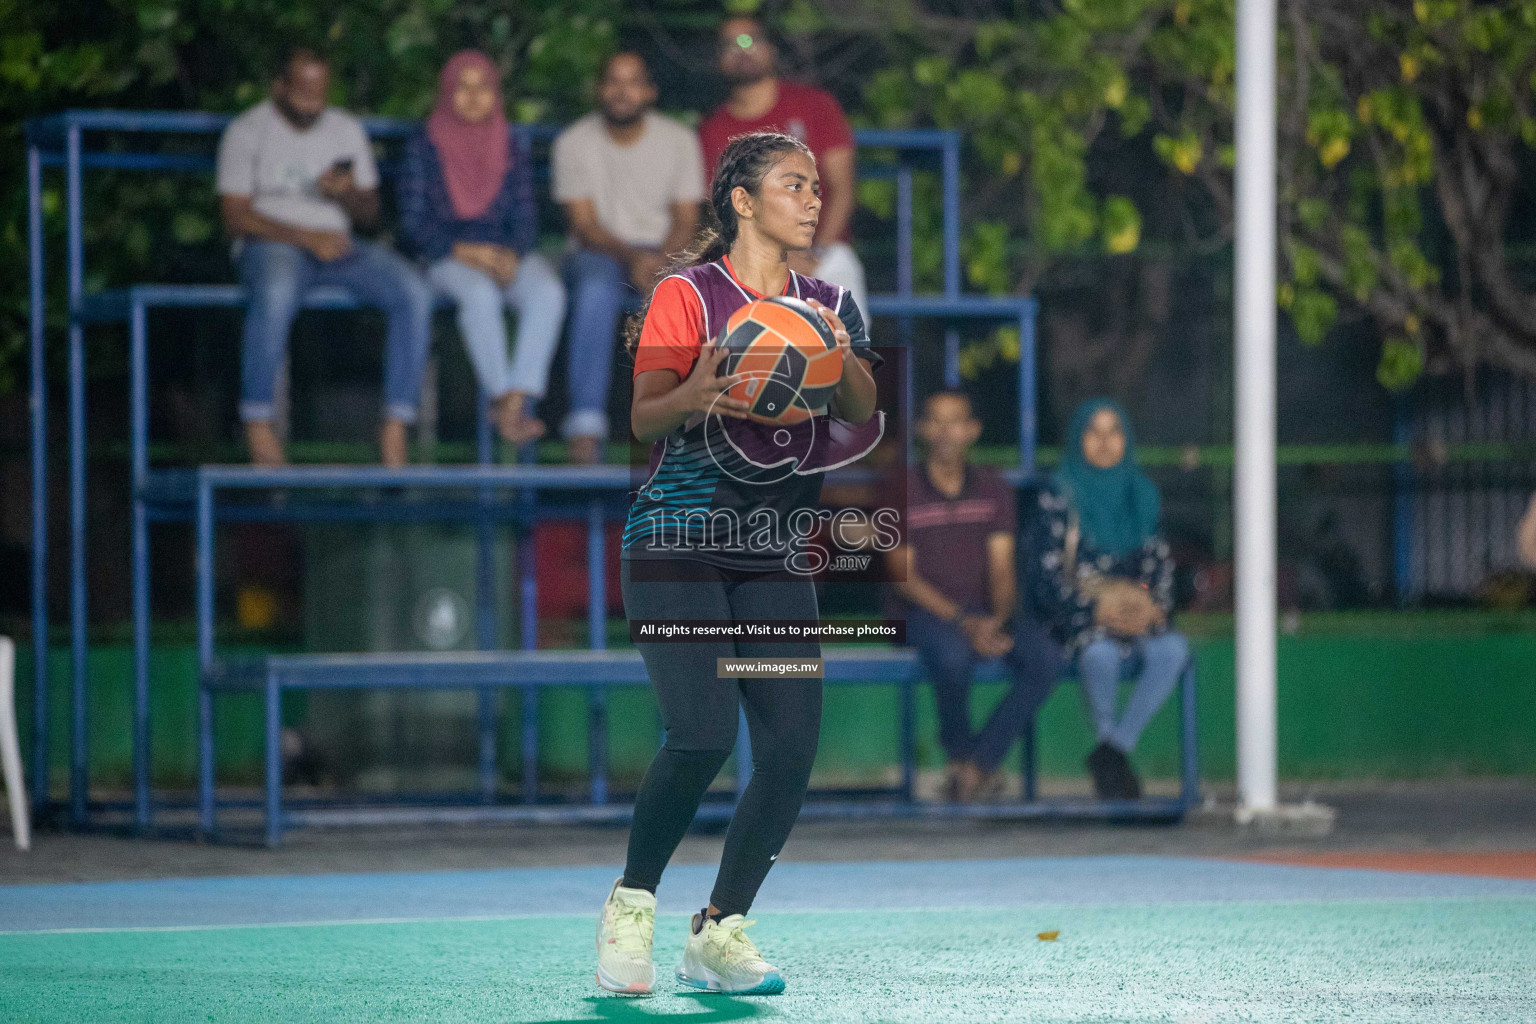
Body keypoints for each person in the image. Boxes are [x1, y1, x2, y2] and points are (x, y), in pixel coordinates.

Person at [596, 131, 881, 998]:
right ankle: (632, 905)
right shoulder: (687, 295)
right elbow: (645, 418)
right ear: (743, 202)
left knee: (791, 747)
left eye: (815, 186)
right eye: (793, 186)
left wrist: (831, 348)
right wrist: (696, 393)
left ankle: (720, 930)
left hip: (769, 553)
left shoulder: (829, 297)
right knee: (705, 733)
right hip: (677, 543)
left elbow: (866, 406)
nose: (812, 197)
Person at [217, 46, 434, 468]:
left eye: (320, 94)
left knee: (414, 291)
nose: (313, 105)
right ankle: (257, 420)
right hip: (271, 244)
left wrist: (346, 195)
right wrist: (304, 236)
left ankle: (395, 422)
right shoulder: (247, 132)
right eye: (302, 94)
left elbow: (370, 216)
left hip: (339, 247)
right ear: (279, 87)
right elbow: (235, 217)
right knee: (277, 291)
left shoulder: (345, 130)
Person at [880, 391, 1068, 803]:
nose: (947, 431)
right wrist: (964, 622)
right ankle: (962, 757)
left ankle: (976, 766)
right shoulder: (901, 487)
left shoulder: (993, 486)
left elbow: (1002, 567)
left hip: (986, 613)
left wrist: (997, 620)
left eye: (957, 421)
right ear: (922, 429)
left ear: (973, 431)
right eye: (937, 420)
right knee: (951, 655)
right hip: (918, 614)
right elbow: (902, 577)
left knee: (1046, 658)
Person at [398, 50, 566, 446]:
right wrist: (464, 251)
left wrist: (511, 253)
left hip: (503, 253)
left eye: (483, 88)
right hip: (445, 256)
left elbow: (526, 215)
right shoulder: (425, 144)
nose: (473, 97)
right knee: (478, 295)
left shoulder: (511, 142)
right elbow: (412, 225)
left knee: (548, 291)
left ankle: (515, 401)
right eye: (463, 88)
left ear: (496, 94)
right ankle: (502, 398)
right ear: (446, 93)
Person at [1027, 399, 1186, 800]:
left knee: (1173, 650)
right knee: (1100, 655)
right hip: (1081, 622)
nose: (1103, 442)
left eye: (1113, 432)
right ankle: (1106, 739)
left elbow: (1160, 568)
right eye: (1092, 432)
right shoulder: (1057, 495)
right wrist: (1096, 611)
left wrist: (1151, 609)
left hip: (1137, 618)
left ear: (1126, 440)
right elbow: (1044, 578)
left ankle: (1114, 750)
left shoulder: (1143, 495)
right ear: (1078, 439)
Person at [552, 51, 705, 463]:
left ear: (650, 91)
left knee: (693, 292)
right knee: (597, 288)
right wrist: (635, 260)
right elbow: (584, 225)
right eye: (613, 81)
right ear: (600, 89)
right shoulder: (572, 142)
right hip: (599, 255)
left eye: (633, 81)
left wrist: (663, 264)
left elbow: (686, 220)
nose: (623, 91)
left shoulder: (679, 141)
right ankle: (585, 430)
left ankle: (687, 434)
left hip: (665, 255)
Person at [698, 16, 867, 322]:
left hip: (823, 250)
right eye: (729, 45)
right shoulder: (713, 129)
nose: (741, 50)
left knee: (841, 272)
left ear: (771, 49)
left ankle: (847, 365)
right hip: (751, 260)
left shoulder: (816, 105)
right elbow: (718, 210)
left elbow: (842, 188)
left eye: (750, 40)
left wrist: (812, 252)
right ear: (717, 60)